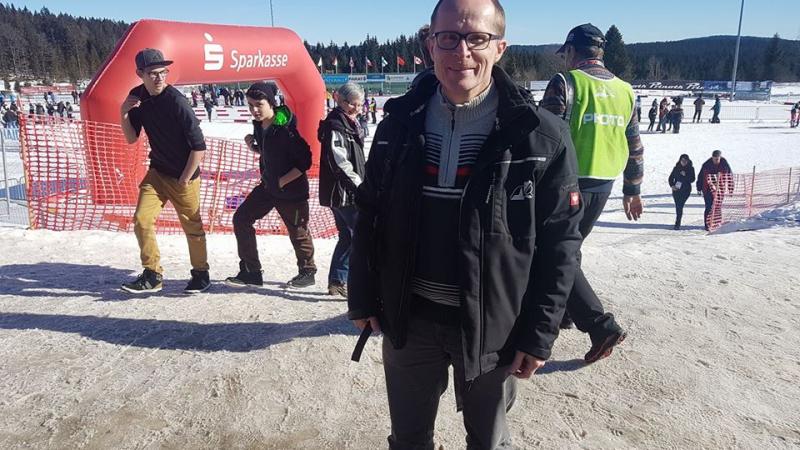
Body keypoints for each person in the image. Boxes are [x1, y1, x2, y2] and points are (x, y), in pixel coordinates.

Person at [348, 0, 583, 447]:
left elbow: (560, 244)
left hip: (495, 327)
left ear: (500, 48)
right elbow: (370, 212)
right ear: (430, 45)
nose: (462, 52)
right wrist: (361, 292)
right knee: (409, 438)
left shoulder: (540, 135)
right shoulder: (399, 125)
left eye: (477, 38)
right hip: (409, 319)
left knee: (489, 442)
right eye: (449, 38)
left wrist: (540, 333)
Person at [541, 22, 642, 361]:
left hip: (567, 183)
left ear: (571, 51)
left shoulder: (567, 82)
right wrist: (633, 188)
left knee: (556, 253)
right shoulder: (626, 90)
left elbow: (543, 134)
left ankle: (600, 326)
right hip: (604, 183)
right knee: (571, 249)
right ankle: (567, 312)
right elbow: (634, 143)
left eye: (565, 54)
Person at [119, 48, 210, 294]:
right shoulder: (137, 96)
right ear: (140, 74)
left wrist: (184, 179)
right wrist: (124, 112)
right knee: (141, 220)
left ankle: (201, 273)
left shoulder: (177, 102)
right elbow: (130, 138)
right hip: (158, 172)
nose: (159, 78)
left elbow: (199, 148)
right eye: (153, 73)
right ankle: (152, 274)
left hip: (185, 175)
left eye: (163, 72)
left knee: (193, 226)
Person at [224, 82, 317, 289]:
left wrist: (282, 181)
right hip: (268, 187)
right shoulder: (259, 125)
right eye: (250, 105)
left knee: (298, 232)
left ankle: (307, 271)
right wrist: (254, 147)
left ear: (271, 103)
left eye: (259, 104)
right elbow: (271, 153)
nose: (254, 110)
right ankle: (251, 271)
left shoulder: (285, 129)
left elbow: (304, 162)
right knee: (241, 218)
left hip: (291, 191)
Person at [318, 82, 366, 298]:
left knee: (347, 237)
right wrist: (359, 186)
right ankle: (363, 283)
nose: (357, 108)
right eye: (353, 104)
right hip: (343, 194)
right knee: (364, 236)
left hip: (344, 192)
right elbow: (339, 162)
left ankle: (337, 281)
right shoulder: (335, 125)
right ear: (342, 101)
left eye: (360, 104)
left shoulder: (348, 122)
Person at [696, 150, 733, 231]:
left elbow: (730, 176)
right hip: (707, 189)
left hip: (720, 189)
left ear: (720, 157)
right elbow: (700, 177)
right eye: (714, 158)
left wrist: (731, 188)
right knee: (709, 206)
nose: (716, 160)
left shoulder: (724, 164)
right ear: (712, 157)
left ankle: (717, 223)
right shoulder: (706, 165)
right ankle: (707, 225)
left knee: (717, 206)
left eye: (717, 158)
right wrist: (698, 188)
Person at [668, 154, 695, 230]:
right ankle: (678, 222)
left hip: (686, 190)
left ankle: (677, 222)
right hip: (676, 190)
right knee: (678, 206)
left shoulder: (691, 169)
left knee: (680, 205)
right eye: (682, 160)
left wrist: (685, 175)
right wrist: (672, 185)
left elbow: (692, 179)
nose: (684, 162)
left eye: (685, 161)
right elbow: (670, 178)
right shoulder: (676, 168)